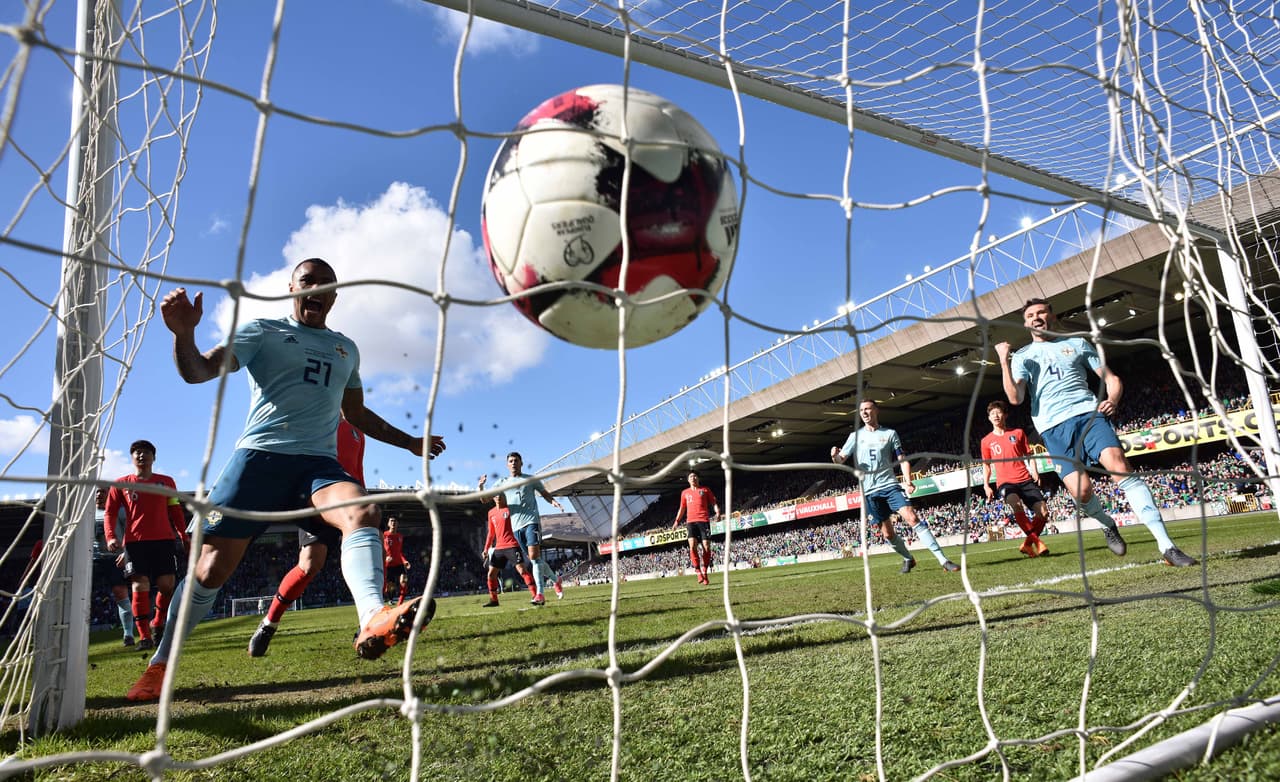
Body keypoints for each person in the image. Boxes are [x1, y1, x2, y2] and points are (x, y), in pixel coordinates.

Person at [126, 257, 447, 702]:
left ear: (335, 296)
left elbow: (354, 414)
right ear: (291, 289)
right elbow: (199, 371)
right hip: (259, 461)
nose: (315, 289)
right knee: (210, 569)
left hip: (317, 466)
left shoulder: (346, 349)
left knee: (365, 510)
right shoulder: (263, 332)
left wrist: (409, 442)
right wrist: (184, 335)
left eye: (325, 284)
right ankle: (160, 663)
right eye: (307, 281)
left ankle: (373, 616)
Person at [995, 298, 1197, 567]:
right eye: (1030, 315)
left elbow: (1112, 379)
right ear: (1025, 322)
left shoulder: (1076, 344)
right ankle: (1107, 523)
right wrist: (1003, 361)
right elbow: (1015, 398)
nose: (1036, 317)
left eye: (1041, 312)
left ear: (1051, 315)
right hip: (1053, 428)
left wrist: (1112, 399)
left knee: (1119, 466)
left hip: (1088, 414)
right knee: (1082, 492)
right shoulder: (1023, 356)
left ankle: (1167, 546)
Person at [248, 416, 365, 657]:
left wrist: (364, 497)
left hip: (351, 501)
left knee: (367, 552)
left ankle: (368, 624)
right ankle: (269, 623)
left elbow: (358, 468)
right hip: (319, 495)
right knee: (310, 563)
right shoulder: (316, 418)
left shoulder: (358, 431)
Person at [831, 399, 960, 573]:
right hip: (869, 491)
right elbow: (841, 460)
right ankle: (908, 559)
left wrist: (908, 480)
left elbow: (902, 458)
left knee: (912, 517)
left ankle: (943, 560)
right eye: (861, 410)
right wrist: (835, 456)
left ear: (876, 410)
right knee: (887, 534)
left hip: (889, 485)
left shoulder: (890, 433)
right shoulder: (855, 436)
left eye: (868, 409)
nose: (864, 413)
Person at [104, 440, 189, 650]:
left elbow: (175, 510)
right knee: (139, 586)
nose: (141, 456)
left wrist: (183, 534)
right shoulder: (121, 484)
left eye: (146, 452)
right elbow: (110, 513)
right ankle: (144, 637)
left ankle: (158, 623)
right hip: (135, 543)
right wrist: (110, 537)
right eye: (137, 453)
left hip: (164, 541)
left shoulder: (166, 482)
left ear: (154, 457)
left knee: (167, 586)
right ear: (132, 458)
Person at [477, 452, 564, 606]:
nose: (513, 463)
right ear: (507, 465)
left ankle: (540, 594)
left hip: (532, 522)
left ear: (521, 463)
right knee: (534, 559)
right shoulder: (503, 482)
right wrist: (481, 486)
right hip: (516, 527)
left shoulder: (530, 480)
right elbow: (484, 499)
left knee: (534, 557)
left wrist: (553, 502)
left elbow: (544, 493)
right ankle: (556, 580)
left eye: (516, 461)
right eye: (510, 461)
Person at [980, 400, 1050, 558]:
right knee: (1016, 505)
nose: (996, 416)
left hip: (1025, 479)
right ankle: (1038, 543)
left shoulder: (1018, 433)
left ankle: (1027, 545)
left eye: (998, 412)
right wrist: (986, 485)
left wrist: (1035, 471)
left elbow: (1029, 455)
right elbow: (987, 466)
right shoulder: (986, 441)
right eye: (992, 414)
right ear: (989, 418)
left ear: (1005, 415)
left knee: (1043, 513)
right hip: (1005, 482)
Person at [480, 493, 538, 607]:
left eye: (500, 495)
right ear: (493, 497)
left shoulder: (511, 509)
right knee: (491, 575)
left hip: (512, 545)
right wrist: (486, 549)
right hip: (499, 548)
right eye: (496, 495)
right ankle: (494, 600)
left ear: (504, 496)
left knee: (522, 571)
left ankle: (536, 595)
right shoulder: (491, 512)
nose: (498, 497)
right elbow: (491, 533)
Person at [671, 471, 721, 585]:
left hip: (704, 521)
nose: (693, 478)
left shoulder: (705, 490)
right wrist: (676, 521)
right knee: (692, 545)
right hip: (691, 522)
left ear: (698, 478)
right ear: (688, 480)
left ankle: (705, 571)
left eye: (695, 476)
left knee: (706, 547)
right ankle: (698, 571)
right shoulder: (685, 493)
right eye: (690, 476)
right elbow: (682, 508)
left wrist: (717, 512)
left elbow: (713, 502)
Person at [383, 516, 411, 606]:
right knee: (391, 587)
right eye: (391, 521)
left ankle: (400, 603)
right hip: (388, 565)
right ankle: (390, 599)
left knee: (404, 581)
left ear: (397, 524)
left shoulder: (400, 536)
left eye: (395, 521)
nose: (393, 523)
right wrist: (385, 557)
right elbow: (380, 549)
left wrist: (405, 561)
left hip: (399, 564)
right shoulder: (384, 535)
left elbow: (399, 552)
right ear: (388, 524)